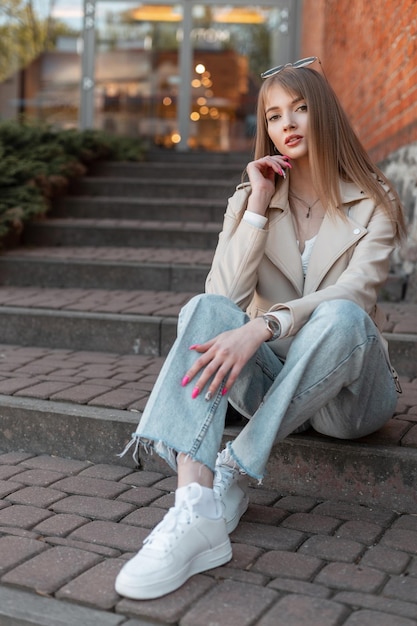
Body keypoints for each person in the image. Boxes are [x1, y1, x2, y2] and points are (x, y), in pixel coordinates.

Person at [115, 56, 405, 600]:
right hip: (277, 385)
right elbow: (219, 303)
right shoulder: (251, 201)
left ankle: (236, 468)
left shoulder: (375, 199)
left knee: (342, 316)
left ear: (325, 116)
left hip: (350, 396)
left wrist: (265, 326)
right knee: (201, 309)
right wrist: (256, 208)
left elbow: (356, 293)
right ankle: (195, 508)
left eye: (300, 109)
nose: (287, 124)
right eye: (273, 116)